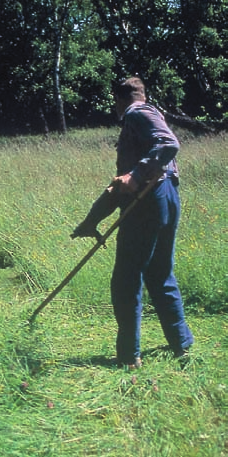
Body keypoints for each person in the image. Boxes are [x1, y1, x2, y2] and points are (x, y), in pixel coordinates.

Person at [109, 77, 193, 368]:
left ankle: (129, 357)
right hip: (168, 196)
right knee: (159, 274)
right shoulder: (153, 111)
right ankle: (181, 346)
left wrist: (135, 174)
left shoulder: (136, 113)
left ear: (120, 100)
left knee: (127, 279)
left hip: (150, 199)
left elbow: (169, 144)